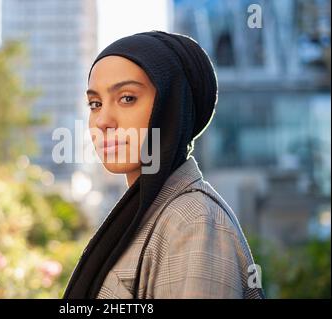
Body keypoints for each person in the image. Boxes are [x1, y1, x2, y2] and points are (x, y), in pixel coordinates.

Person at [63, 31, 265, 299]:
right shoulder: (141, 216)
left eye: (127, 98)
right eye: (95, 103)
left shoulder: (194, 222)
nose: (102, 121)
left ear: (171, 106)